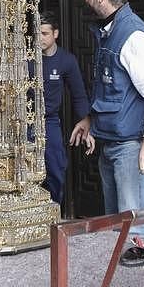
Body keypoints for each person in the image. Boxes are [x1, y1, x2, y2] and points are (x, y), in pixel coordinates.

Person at [69, 0, 144, 240]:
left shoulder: (133, 36)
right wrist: (90, 119)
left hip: (131, 146)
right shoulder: (111, 33)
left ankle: (138, 280)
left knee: (133, 228)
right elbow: (114, 89)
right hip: (113, 143)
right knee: (117, 227)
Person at [38, 11, 89, 206]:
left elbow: (79, 94)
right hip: (24, 121)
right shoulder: (25, 59)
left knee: (55, 167)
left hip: (50, 121)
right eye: (36, 34)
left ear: (55, 34)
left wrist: (85, 119)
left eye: (44, 34)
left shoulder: (66, 60)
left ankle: (53, 210)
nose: (39, 38)